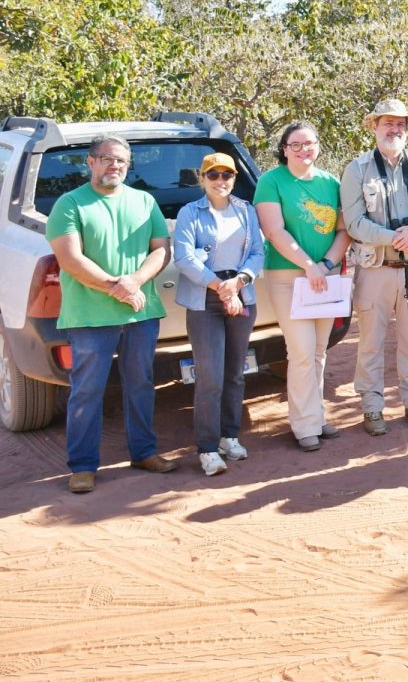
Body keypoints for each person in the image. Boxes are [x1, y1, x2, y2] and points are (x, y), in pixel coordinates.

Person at [46, 135, 178, 494]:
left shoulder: (144, 201)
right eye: (106, 159)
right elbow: (70, 259)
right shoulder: (70, 204)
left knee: (141, 385)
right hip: (90, 316)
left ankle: (144, 453)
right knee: (87, 392)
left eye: (121, 161)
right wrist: (115, 287)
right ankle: (83, 467)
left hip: (140, 313)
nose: (114, 166)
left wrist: (134, 282)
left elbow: (160, 250)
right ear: (90, 163)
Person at [339, 99, 408, 436]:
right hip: (375, 269)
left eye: (401, 123)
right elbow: (354, 223)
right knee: (371, 343)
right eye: (388, 122)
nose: (394, 129)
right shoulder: (356, 169)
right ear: (374, 126)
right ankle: (372, 408)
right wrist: (392, 237)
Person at [255, 121, 351, 451]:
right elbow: (274, 230)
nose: (303, 150)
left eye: (309, 143)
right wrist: (308, 266)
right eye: (295, 144)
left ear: (318, 146)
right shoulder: (271, 182)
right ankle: (304, 425)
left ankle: (316, 415)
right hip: (287, 277)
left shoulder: (331, 182)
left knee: (319, 352)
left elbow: (343, 230)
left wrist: (324, 266)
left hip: (326, 278)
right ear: (284, 149)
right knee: (300, 352)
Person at [172, 152, 264, 477]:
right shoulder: (190, 213)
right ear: (202, 179)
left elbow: (257, 252)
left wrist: (238, 283)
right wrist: (220, 287)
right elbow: (183, 257)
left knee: (236, 374)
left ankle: (229, 437)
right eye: (213, 176)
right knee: (210, 377)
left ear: (234, 179)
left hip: (241, 295)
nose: (221, 181)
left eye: (227, 175)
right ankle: (208, 449)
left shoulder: (245, 210)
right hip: (205, 301)